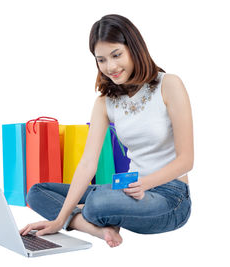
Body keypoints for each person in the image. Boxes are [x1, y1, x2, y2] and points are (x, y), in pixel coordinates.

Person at [19, 14, 193, 248]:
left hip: (171, 197)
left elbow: (186, 160)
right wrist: (58, 221)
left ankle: (90, 212)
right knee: (36, 192)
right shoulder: (105, 103)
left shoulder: (169, 84)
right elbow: (87, 163)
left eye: (116, 55)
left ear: (134, 48)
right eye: (101, 60)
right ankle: (96, 229)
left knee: (99, 202)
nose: (110, 67)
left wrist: (145, 184)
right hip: (127, 188)